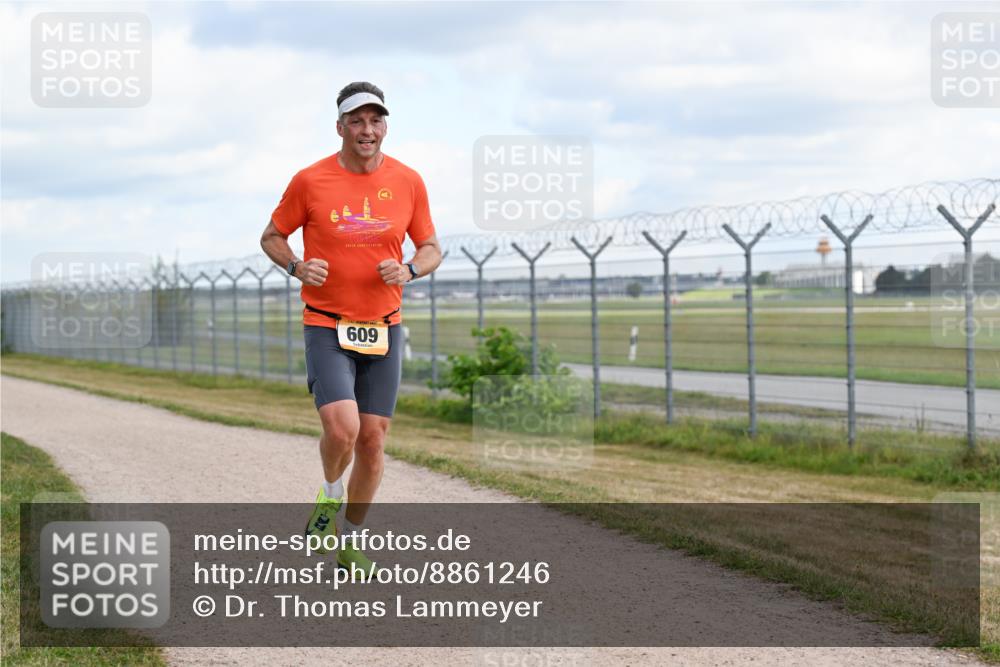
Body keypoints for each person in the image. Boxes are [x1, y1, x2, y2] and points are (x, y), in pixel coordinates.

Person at [261, 81, 442, 577]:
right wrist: (297, 267)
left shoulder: (408, 181)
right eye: (356, 121)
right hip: (327, 322)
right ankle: (330, 496)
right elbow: (272, 236)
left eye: (375, 120)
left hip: (384, 326)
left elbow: (431, 247)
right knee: (343, 430)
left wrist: (410, 269)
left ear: (385, 125)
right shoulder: (310, 181)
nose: (367, 130)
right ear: (339, 126)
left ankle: (352, 541)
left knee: (374, 440)